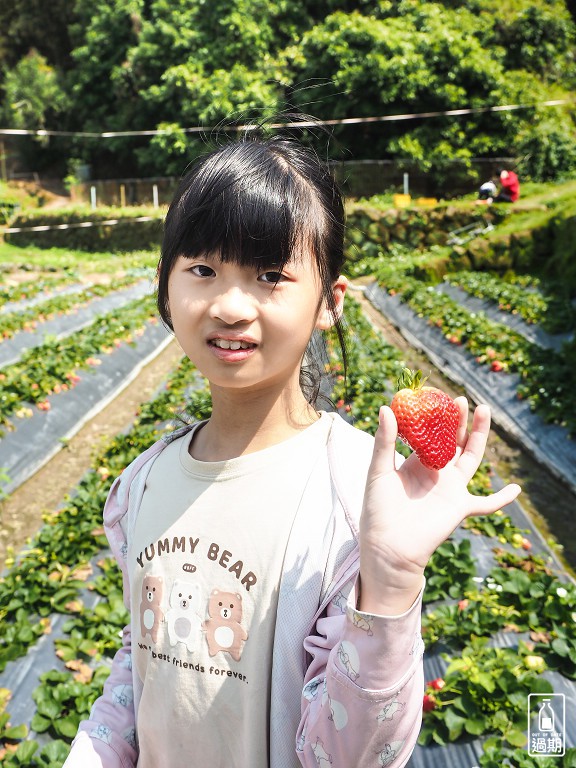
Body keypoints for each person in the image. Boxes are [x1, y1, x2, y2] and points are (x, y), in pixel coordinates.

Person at [63, 132, 521, 768]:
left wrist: (387, 589)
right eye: (202, 269)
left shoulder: (354, 498)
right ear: (166, 287)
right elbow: (141, 665)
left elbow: (351, 755)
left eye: (270, 276)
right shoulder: (143, 485)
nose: (229, 305)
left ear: (330, 302)